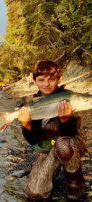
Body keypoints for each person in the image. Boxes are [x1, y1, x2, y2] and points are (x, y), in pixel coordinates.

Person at [17, 60, 86, 200]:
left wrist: (65, 120)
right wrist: (26, 125)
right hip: (46, 149)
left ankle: (75, 182)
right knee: (35, 194)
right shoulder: (30, 103)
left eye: (52, 79)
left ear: (59, 79)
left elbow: (73, 132)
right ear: (34, 80)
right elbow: (32, 140)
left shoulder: (70, 97)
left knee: (63, 143)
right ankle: (53, 171)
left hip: (71, 144)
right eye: (41, 80)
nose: (46, 84)